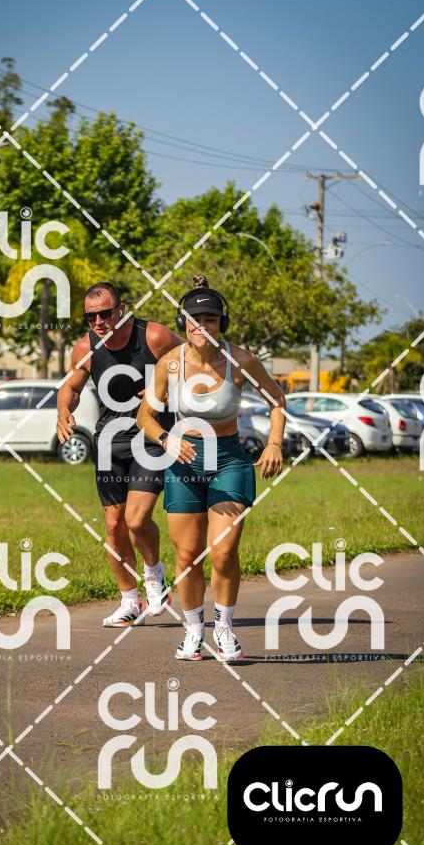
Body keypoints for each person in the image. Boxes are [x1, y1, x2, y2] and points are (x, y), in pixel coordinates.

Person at [136, 275, 286, 662]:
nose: (201, 325)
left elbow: (276, 400)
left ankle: (224, 628)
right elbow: (145, 416)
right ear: (183, 322)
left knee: (223, 552)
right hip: (184, 461)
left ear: (223, 323)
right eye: (194, 319)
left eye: (210, 319)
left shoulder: (241, 361)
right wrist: (166, 439)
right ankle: (193, 631)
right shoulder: (170, 363)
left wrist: (274, 442)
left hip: (229, 460)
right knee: (188, 555)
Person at [56, 282, 181, 627]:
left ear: (121, 309)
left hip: (152, 436)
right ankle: (129, 601)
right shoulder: (86, 347)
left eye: (105, 313)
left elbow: (194, 363)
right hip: (110, 441)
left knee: (136, 520)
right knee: (114, 525)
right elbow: (70, 386)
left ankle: (154, 575)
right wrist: (63, 410)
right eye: (91, 316)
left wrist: (168, 390)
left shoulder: (153, 336)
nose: (98, 321)